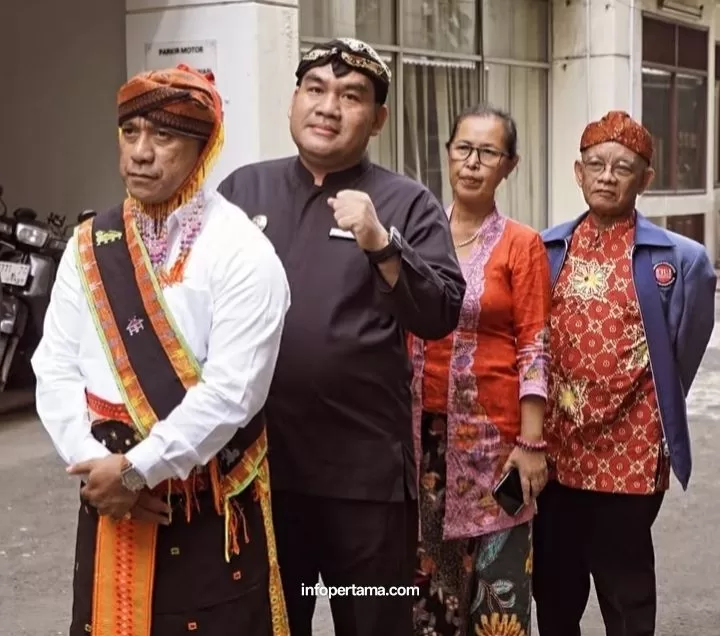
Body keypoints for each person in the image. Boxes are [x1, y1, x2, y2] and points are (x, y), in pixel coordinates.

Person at [31, 65, 292, 636]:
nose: (140, 153)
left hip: (205, 504)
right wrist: (98, 471)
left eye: (164, 135)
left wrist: (137, 471)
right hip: (107, 497)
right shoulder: (90, 244)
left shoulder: (243, 252)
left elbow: (233, 393)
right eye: (130, 132)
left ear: (204, 147)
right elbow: (55, 366)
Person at [217, 37, 466, 636]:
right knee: (269, 623)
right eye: (316, 89)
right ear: (294, 101)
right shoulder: (243, 193)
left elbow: (441, 312)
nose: (328, 107)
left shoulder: (406, 202)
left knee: (372, 620)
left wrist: (382, 243)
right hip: (260, 473)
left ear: (378, 119)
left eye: (351, 96)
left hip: (363, 482)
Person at [533, 110, 717, 636]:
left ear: (645, 179)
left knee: (626, 593)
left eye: (623, 167)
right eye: (596, 165)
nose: (607, 176)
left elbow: (683, 353)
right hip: (556, 451)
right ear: (578, 172)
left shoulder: (682, 260)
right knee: (555, 590)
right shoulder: (546, 248)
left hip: (630, 455)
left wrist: (650, 414)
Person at [408, 105, 551, 636]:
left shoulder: (521, 244)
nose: (472, 162)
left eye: (488, 152)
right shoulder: (417, 236)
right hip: (420, 439)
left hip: (495, 444)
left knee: (498, 591)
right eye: (463, 148)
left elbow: (534, 343)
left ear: (509, 165)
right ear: (448, 154)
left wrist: (531, 443)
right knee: (427, 592)